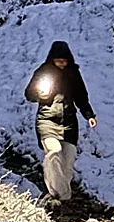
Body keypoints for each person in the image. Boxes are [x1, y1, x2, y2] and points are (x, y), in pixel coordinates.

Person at [24, 41, 97, 205]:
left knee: (68, 162)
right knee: (54, 152)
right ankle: (60, 196)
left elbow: (81, 97)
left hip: (69, 123)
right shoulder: (43, 72)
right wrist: (40, 94)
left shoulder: (74, 74)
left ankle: (60, 194)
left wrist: (89, 115)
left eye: (64, 60)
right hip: (47, 120)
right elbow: (29, 94)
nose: (61, 64)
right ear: (52, 59)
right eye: (58, 60)